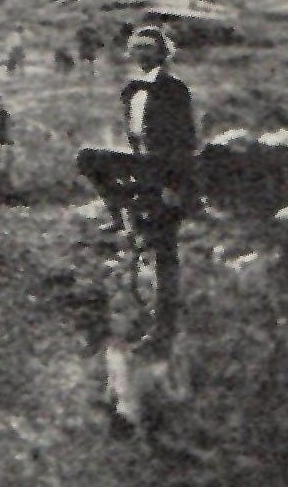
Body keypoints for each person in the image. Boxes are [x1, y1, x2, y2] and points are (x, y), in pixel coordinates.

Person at [75, 25, 198, 349]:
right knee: (89, 157)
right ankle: (119, 208)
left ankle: (163, 330)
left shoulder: (175, 89)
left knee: (163, 250)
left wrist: (174, 184)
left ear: (163, 52)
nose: (142, 53)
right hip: (142, 164)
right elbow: (135, 135)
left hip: (166, 169)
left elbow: (185, 141)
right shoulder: (130, 90)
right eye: (137, 47)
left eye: (149, 47)